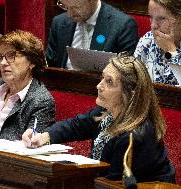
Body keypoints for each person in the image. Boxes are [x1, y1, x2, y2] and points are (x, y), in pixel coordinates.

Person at [22, 52, 176, 183]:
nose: (99, 86)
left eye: (109, 82)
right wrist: (44, 136)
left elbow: (111, 183)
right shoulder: (106, 113)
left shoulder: (134, 137)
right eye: (102, 78)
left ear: (130, 93)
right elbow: (75, 125)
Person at [0, 30, 56, 141]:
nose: (2, 63)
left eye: (11, 56)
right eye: (0, 57)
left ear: (31, 62)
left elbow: (31, 145)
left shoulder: (41, 101)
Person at [45, 0, 139, 69]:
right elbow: (50, 65)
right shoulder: (59, 23)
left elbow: (127, 74)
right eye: (65, 6)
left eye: (75, 8)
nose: (69, 14)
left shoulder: (123, 26)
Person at [134, 0, 181, 85]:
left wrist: (171, 51)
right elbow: (134, 81)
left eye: (161, 18)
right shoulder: (147, 41)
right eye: (151, 17)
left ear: (179, 19)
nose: (153, 25)